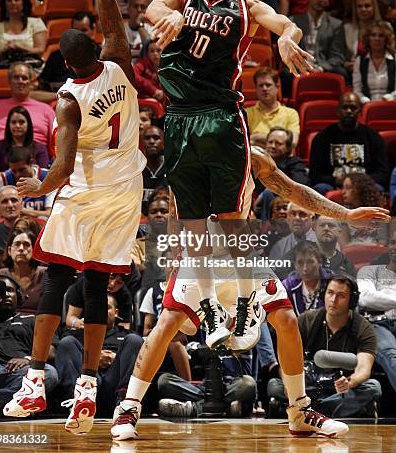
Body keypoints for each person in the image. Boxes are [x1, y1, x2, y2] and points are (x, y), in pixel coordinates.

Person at [111, 148, 389, 440]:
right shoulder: (189, 153)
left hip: (241, 252)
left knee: (285, 318)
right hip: (199, 253)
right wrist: (170, 265)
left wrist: (343, 213)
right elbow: (174, 213)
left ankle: (299, 411)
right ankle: (128, 407)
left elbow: (293, 190)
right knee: (167, 322)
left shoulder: (252, 156)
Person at [2, 0, 146, 436]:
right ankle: (87, 387)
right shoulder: (121, 64)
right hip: (126, 190)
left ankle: (35, 382)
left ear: (65, 64)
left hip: (85, 192)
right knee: (94, 285)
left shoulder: (66, 100)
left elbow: (61, 167)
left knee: (58, 275)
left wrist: (39, 184)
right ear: (99, 50)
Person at [144, 0, 315, 353]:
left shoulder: (246, 6)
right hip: (180, 118)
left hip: (221, 118)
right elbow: (153, 6)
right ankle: (212, 311)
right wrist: (170, 16)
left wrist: (288, 35)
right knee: (194, 230)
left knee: (233, 221)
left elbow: (283, 21)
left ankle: (245, 303)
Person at [268, 275, 382, 418]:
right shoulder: (308, 320)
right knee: (275, 386)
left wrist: (350, 383)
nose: (333, 300)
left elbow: (364, 369)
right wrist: (289, 385)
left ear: (351, 300)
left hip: (340, 388)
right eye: (330, 293)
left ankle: (309, 412)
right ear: (324, 294)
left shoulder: (363, 327)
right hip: (309, 386)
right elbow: (287, 359)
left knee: (373, 387)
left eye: (341, 296)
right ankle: (325, 411)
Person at [55, 294, 144, 416]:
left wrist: (116, 357)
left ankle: (125, 402)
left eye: (107, 307)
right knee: (66, 343)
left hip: (115, 382)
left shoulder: (127, 335)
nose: (101, 311)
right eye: (98, 307)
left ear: (116, 312)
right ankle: (77, 402)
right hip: (86, 382)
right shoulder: (76, 335)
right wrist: (93, 359)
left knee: (135, 340)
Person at [0, 275, 58, 417]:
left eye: (10, 290)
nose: (5, 295)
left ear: (19, 296)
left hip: (18, 372)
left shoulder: (32, 320)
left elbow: (51, 351)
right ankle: (14, 406)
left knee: (48, 373)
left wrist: (28, 359)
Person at [309, 91, 388, 193]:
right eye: (345, 107)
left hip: (363, 185)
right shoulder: (322, 137)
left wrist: (360, 182)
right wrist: (337, 180)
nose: (349, 111)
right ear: (338, 111)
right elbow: (315, 174)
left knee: (378, 190)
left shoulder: (373, 137)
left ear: (360, 112)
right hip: (332, 184)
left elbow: (382, 173)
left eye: (353, 108)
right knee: (320, 188)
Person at [358, 227, 396, 395]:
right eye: (394, 243)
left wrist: (383, 298)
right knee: (391, 354)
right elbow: (366, 298)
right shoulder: (369, 271)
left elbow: (376, 298)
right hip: (378, 326)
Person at [0, 62, 55, 152]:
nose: (20, 81)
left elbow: (56, 143)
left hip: (35, 161)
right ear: (9, 81)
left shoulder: (46, 110)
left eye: (24, 78)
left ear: (31, 82)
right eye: (16, 78)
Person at [290, 0, 346, 78]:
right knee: (285, 75)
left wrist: (321, 68)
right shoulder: (294, 21)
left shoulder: (336, 25)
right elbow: (290, 51)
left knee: (342, 73)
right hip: (300, 65)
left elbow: (337, 56)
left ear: (328, 0)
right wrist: (302, 67)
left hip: (324, 66)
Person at [0, 145, 55, 220]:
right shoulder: (4, 178)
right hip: (11, 226)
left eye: (21, 170)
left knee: (43, 218)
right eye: (14, 171)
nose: (17, 174)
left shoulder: (47, 177)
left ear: (30, 162)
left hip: (39, 225)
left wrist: (22, 211)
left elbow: (51, 213)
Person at [39, 11, 99, 93]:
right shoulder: (56, 56)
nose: (80, 35)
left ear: (93, 29)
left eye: (84, 30)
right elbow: (43, 85)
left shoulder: (102, 56)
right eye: (76, 31)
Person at [0, 0, 48, 66]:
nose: (13, 3)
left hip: (30, 65)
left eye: (17, 0)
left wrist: (19, 47)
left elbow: (40, 50)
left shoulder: (36, 23)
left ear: (24, 2)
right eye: (9, 0)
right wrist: (4, 50)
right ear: (4, 4)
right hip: (2, 65)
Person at [0, 228, 46, 314]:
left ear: (33, 250)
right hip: (6, 324)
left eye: (26, 245)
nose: (21, 248)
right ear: (9, 251)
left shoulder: (45, 274)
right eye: (17, 244)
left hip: (36, 324)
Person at [0, 106, 49, 179]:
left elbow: (42, 174)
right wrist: (8, 176)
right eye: (13, 122)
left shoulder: (40, 147)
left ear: (28, 124)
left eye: (21, 122)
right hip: (5, 187)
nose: (17, 126)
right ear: (8, 125)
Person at [245, 67, 300, 147]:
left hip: (283, 159)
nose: (264, 88)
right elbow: (244, 143)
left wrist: (256, 137)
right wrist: (279, 141)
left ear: (277, 87)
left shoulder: (291, 113)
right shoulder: (246, 113)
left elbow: (293, 142)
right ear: (256, 89)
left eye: (268, 85)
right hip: (255, 158)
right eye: (260, 85)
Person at [282, 240, 333, 316]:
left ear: (320, 262)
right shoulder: (287, 286)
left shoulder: (333, 283)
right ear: (295, 264)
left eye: (310, 262)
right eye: (300, 262)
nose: (305, 268)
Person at [352, 21, 396, 103]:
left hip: (391, 104)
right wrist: (365, 101)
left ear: (386, 39)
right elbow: (357, 89)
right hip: (367, 105)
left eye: (381, 36)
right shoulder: (360, 61)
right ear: (368, 38)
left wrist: (389, 98)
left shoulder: (395, 60)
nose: (377, 39)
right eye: (373, 35)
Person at [0, 186, 22, 272]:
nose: (10, 205)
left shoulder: (33, 228)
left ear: (21, 203)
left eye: (14, 200)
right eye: (4, 201)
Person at [141, 126, 168, 213]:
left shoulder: (172, 168)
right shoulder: (134, 168)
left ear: (164, 142)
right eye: (147, 138)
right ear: (141, 143)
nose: (151, 141)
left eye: (156, 138)